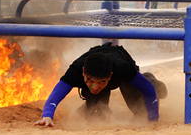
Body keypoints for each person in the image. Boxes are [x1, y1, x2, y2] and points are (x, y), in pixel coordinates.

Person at [35, 42, 168, 127]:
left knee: (139, 110)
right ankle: (95, 88)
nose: (95, 86)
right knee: (93, 114)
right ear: (83, 73)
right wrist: (47, 116)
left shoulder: (123, 69)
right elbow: (56, 94)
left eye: (101, 82)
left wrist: (153, 119)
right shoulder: (75, 70)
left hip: (120, 59)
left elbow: (147, 88)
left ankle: (152, 80)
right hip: (97, 60)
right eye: (90, 81)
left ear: (110, 76)